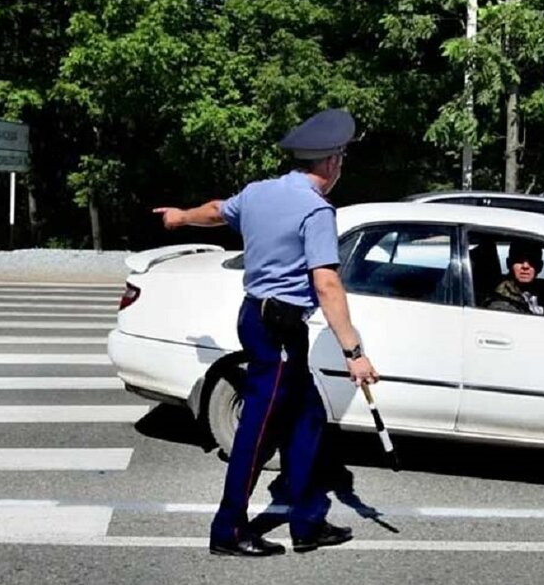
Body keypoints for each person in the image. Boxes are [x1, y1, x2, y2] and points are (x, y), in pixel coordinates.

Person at [154, 109, 380, 558]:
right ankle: (228, 529)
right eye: (341, 159)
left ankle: (307, 522)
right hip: (277, 331)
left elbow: (218, 211)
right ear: (332, 162)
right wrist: (354, 352)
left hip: (260, 321)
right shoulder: (316, 210)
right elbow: (327, 283)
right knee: (257, 431)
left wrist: (180, 218)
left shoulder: (259, 192)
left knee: (309, 417)